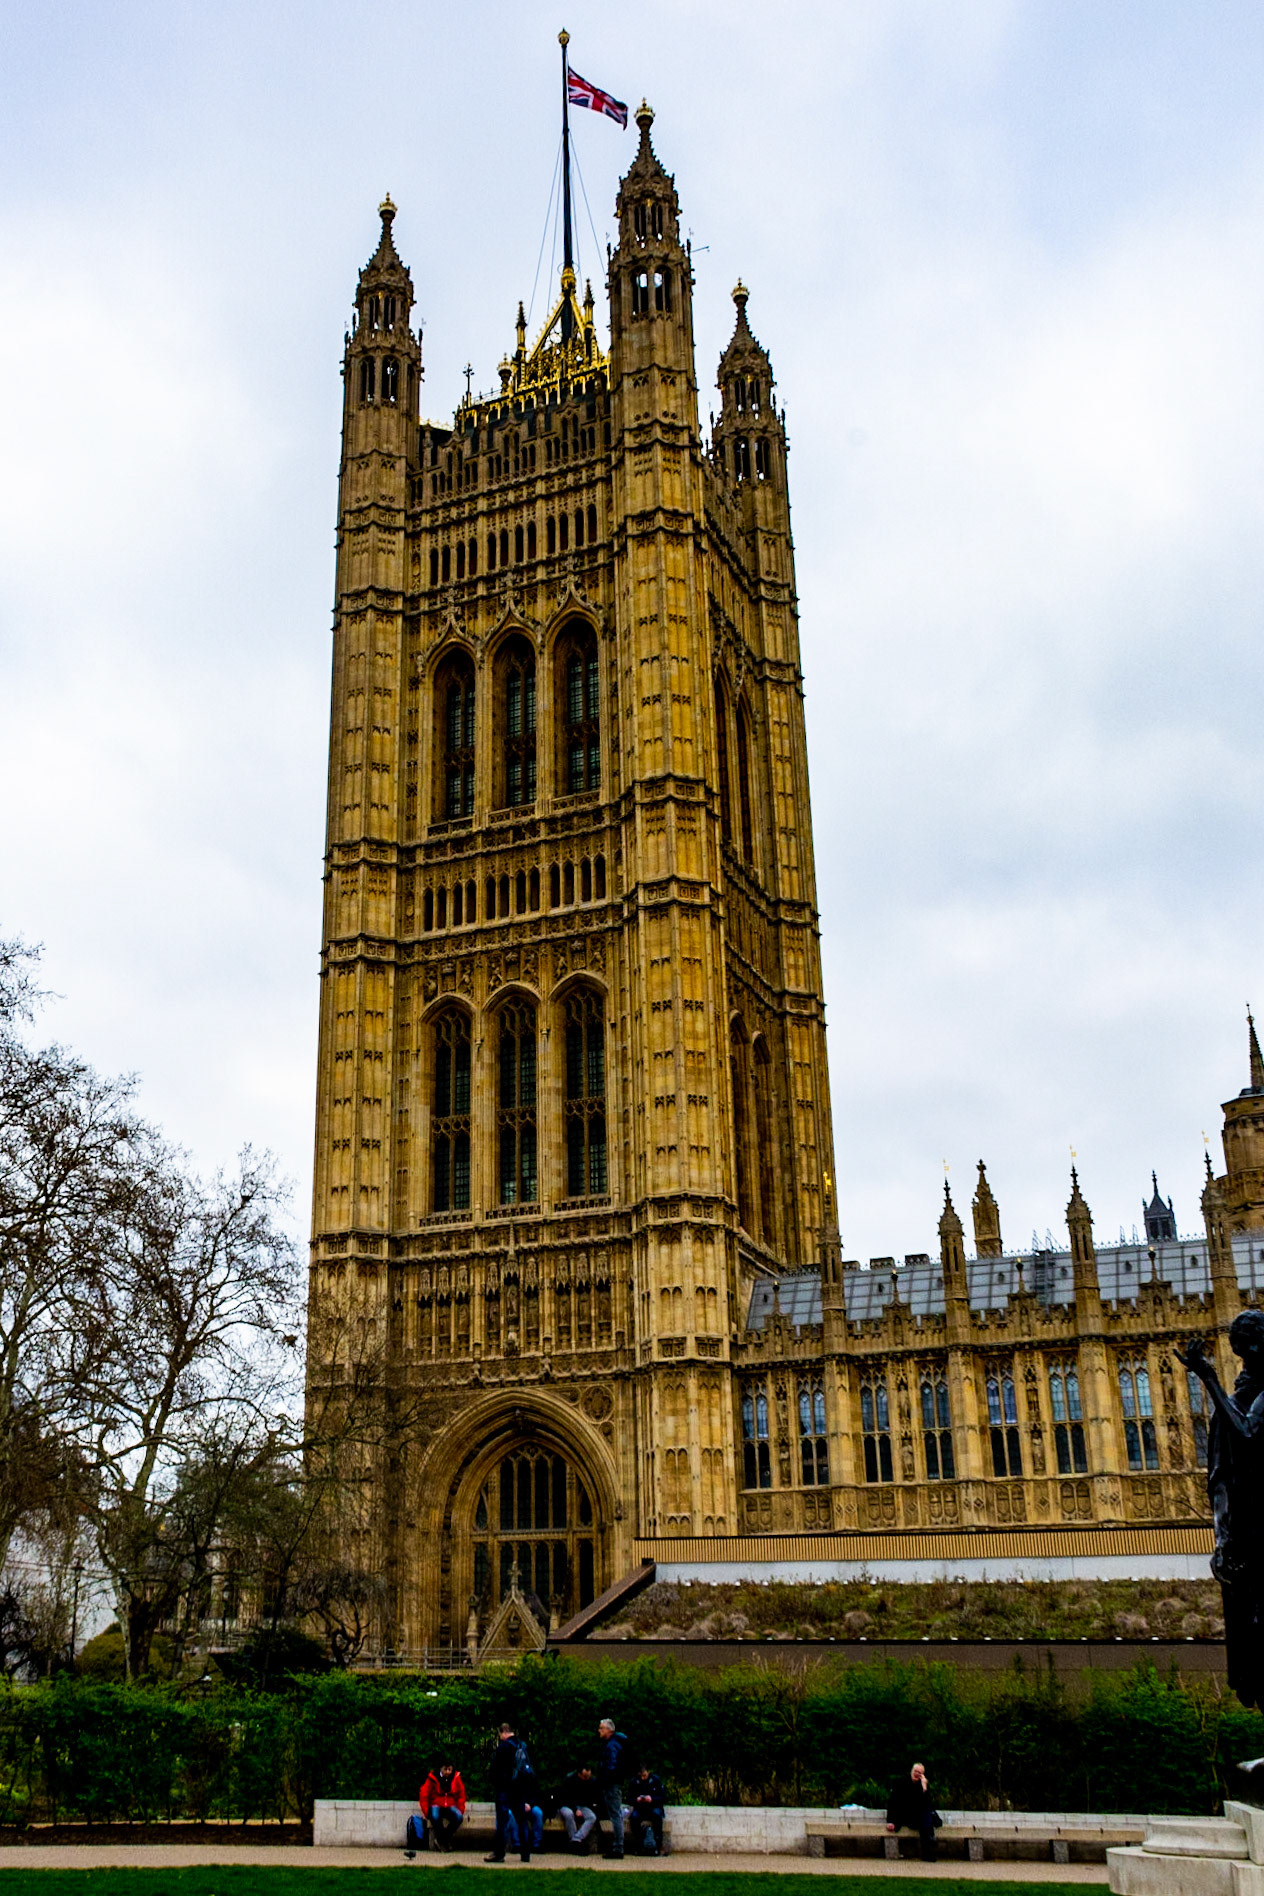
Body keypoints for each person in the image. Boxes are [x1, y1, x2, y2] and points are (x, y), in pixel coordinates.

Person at [1179, 1314, 1264, 1709]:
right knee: (1249, 1649)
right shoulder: (1245, 1391)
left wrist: (1208, 1377)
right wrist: (1223, 1537)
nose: (1247, 1358)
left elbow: (1246, 1433)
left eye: (1248, 1348)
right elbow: (1221, 1477)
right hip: (1242, 1534)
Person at [486, 1721, 542, 1864]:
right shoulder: (522, 1746)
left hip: (504, 1789)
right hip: (520, 1789)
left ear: (503, 1732)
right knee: (521, 1820)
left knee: (503, 1822)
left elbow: (494, 1769)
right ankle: (525, 1853)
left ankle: (499, 1853)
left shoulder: (503, 1747)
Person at [406, 1760, 466, 1854]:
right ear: (441, 1769)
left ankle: (441, 1841)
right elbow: (424, 1794)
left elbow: (461, 1794)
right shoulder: (432, 1778)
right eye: (445, 1769)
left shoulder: (456, 1778)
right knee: (435, 1817)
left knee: (458, 1817)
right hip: (436, 1804)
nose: (448, 1772)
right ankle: (445, 1842)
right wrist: (426, 1811)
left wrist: (460, 1809)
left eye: (449, 1769)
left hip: (450, 1805)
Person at [885, 1761, 941, 1862]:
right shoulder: (901, 1783)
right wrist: (890, 1821)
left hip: (919, 1817)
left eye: (920, 1773)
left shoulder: (923, 1785)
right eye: (916, 1771)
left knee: (925, 1817)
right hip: (905, 1816)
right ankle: (930, 1842)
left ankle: (928, 1851)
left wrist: (924, 1787)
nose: (917, 1774)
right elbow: (892, 1803)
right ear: (911, 1771)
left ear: (923, 1775)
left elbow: (928, 1803)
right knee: (926, 1819)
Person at [596, 1716, 631, 1859]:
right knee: (615, 1814)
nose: (599, 1731)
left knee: (615, 1815)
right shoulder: (616, 1743)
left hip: (611, 1783)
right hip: (613, 1782)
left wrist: (605, 1779)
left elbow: (611, 1765)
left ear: (609, 1730)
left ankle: (618, 1847)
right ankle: (618, 1846)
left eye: (601, 1728)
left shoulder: (612, 1745)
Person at [554, 1762, 599, 1854]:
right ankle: (574, 1840)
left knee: (592, 1817)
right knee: (569, 1814)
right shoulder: (569, 1779)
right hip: (567, 1805)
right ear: (579, 1774)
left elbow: (592, 1798)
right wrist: (575, 1809)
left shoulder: (591, 1781)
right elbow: (565, 1797)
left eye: (588, 1776)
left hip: (582, 1806)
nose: (587, 1779)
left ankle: (576, 1839)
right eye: (584, 1776)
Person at [626, 1765, 666, 1856]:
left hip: (653, 1807)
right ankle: (639, 1844)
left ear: (648, 1772)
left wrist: (652, 1799)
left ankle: (658, 1844)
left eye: (644, 1775)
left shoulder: (656, 1780)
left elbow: (663, 1798)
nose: (643, 1778)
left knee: (657, 1816)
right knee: (634, 1818)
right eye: (641, 1776)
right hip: (640, 1808)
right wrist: (636, 1800)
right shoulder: (634, 1781)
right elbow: (629, 1799)